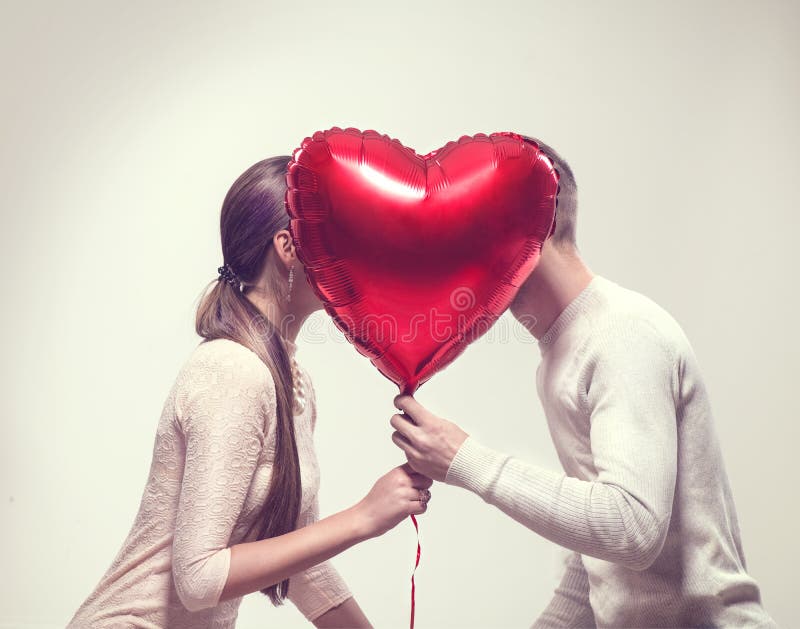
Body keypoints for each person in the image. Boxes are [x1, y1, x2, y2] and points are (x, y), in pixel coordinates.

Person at [389, 137, 777, 628]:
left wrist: (465, 459)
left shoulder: (622, 334)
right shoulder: (558, 355)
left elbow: (631, 528)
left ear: (541, 222)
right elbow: (594, 567)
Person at [68, 156, 433, 629]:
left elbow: (302, 566)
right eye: (335, 237)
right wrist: (364, 517)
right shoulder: (233, 371)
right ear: (287, 247)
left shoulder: (292, 382)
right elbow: (198, 579)